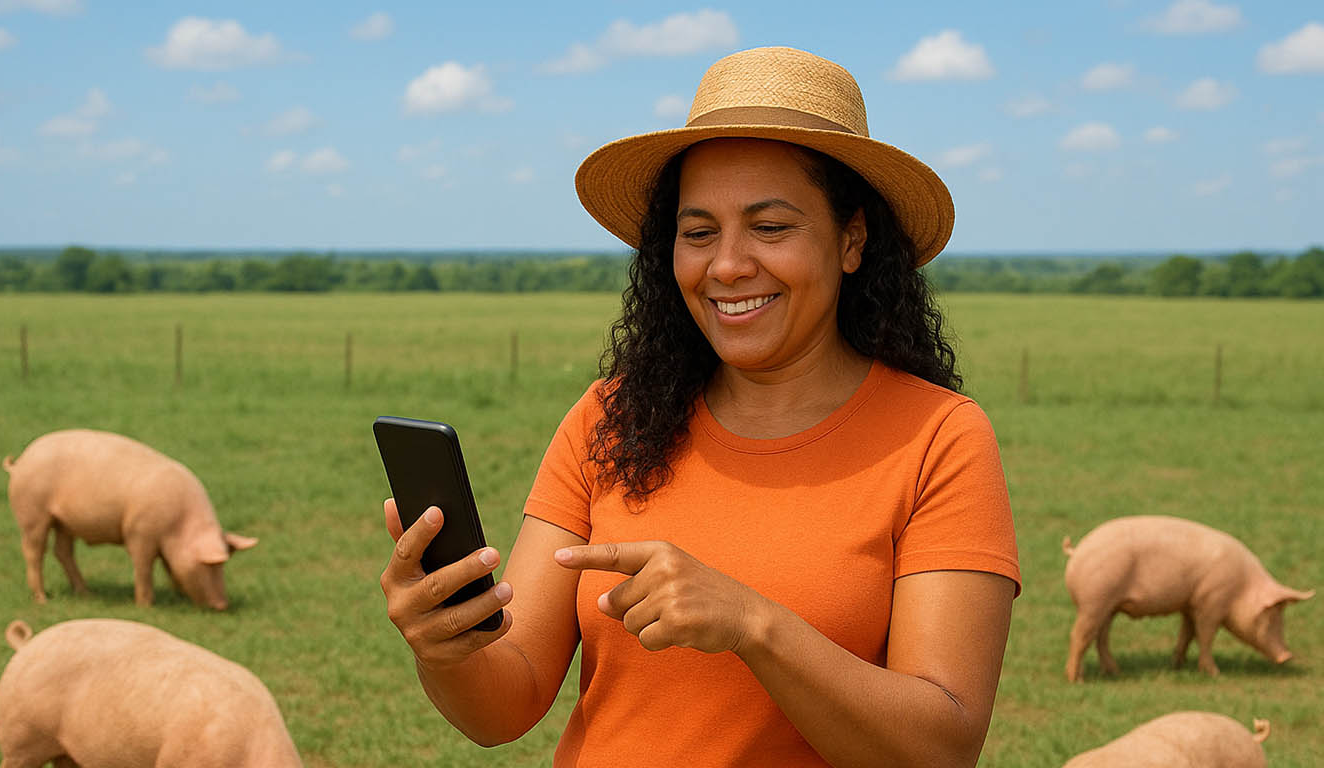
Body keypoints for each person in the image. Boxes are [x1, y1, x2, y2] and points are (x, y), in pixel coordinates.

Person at [380, 46, 1020, 768]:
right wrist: (445, 645)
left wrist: (753, 623)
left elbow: (940, 749)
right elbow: (506, 702)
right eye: (699, 232)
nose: (727, 266)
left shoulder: (939, 437)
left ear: (852, 239)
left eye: (771, 227)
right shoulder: (610, 417)